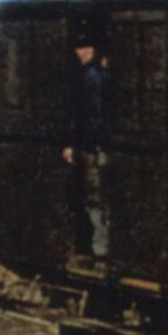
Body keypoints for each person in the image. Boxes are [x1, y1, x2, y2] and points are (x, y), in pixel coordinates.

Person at [62, 34, 110, 265]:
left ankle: (100, 249)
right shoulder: (102, 74)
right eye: (79, 47)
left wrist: (73, 144)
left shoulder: (88, 76)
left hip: (92, 146)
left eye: (86, 47)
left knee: (94, 197)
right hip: (99, 145)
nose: (82, 52)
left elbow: (88, 116)